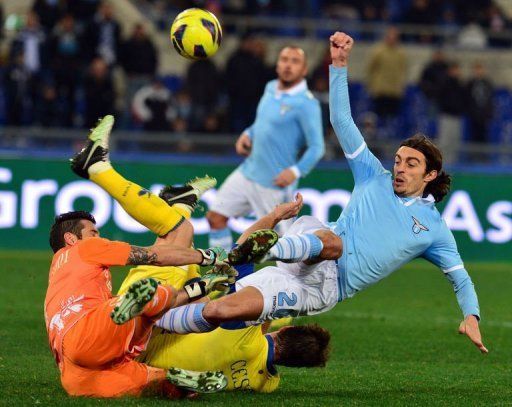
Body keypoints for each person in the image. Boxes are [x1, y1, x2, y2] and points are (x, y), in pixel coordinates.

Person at [159, 32, 488, 355]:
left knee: (222, 313)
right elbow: (341, 119)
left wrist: (471, 317)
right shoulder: (374, 175)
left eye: (411, 164)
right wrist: (339, 63)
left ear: (430, 175)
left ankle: (154, 326)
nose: (400, 168)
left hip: (321, 287)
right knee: (332, 241)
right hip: (316, 243)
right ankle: (255, 253)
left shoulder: (435, 230)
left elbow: (461, 279)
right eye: (399, 160)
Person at [44, 115, 234, 398]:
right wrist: (206, 257)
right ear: (71, 238)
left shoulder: (58, 272)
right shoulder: (85, 248)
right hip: (95, 327)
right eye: (93, 231)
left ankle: (172, 377)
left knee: (154, 380)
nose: (98, 236)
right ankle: (99, 168)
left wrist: (205, 285)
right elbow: (155, 256)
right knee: (180, 231)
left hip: (76, 366)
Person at [118, 196, 331, 393]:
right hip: (148, 371)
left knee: (179, 237)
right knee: (200, 289)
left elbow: (243, 252)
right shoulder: (266, 385)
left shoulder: (244, 330)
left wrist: (274, 216)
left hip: (136, 341)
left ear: (286, 328)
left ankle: (178, 206)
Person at [207, 46, 325, 250]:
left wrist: (296, 171)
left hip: (274, 184)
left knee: (284, 247)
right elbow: (262, 122)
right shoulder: (271, 87)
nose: (288, 65)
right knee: (215, 217)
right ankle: (223, 274)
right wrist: (248, 134)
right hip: (247, 173)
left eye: (295, 61)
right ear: (277, 65)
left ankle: (300, 281)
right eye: (284, 59)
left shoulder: (307, 104)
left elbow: (317, 147)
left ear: (304, 70)